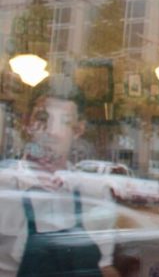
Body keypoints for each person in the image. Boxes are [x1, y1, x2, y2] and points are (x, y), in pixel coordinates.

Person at [0, 94, 118, 277]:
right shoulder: (5, 187)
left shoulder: (95, 194)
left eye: (64, 122)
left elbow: (105, 268)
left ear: (78, 130)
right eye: (42, 119)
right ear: (27, 123)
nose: (51, 132)